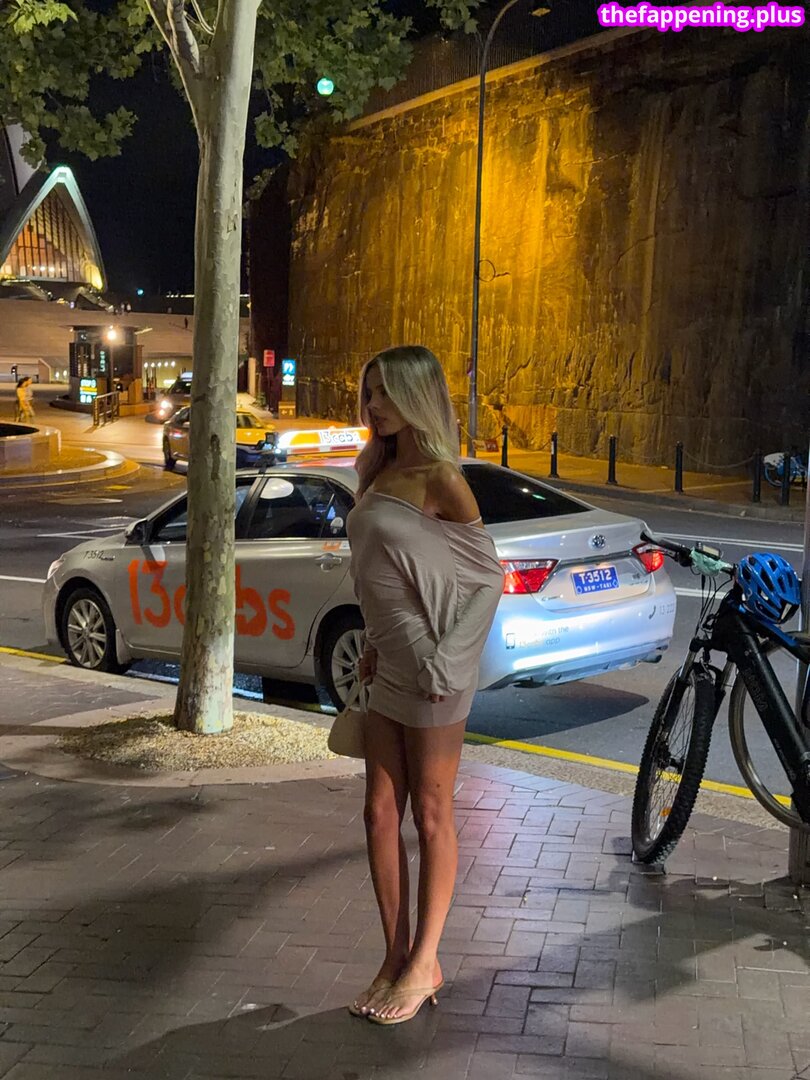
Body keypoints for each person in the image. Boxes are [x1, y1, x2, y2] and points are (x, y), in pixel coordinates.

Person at [346, 345, 504, 1026]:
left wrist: (449, 662)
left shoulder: (442, 478)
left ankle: (425, 961)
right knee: (379, 812)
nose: (373, 405)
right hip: (390, 662)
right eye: (370, 392)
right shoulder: (377, 470)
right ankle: (395, 956)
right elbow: (380, 571)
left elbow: (487, 578)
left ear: (417, 396)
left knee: (432, 813)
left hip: (437, 669)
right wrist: (374, 642)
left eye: (385, 393)